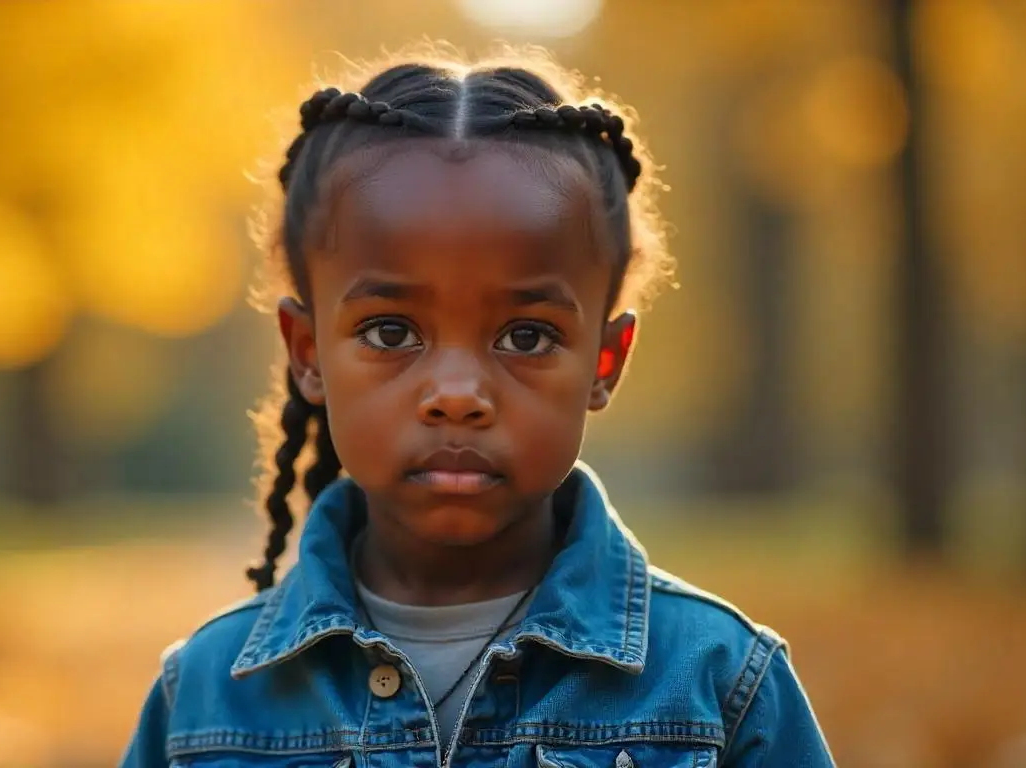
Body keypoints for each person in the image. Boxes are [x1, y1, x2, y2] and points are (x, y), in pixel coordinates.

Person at [120, 45, 835, 768]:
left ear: (604, 362)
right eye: (390, 331)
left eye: (527, 335)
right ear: (307, 352)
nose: (457, 395)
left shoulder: (722, 689)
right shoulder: (203, 705)